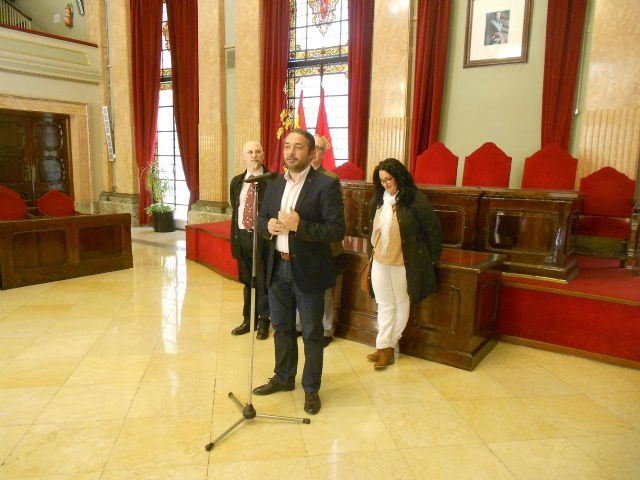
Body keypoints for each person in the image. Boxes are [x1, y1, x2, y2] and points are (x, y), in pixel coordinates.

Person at [253, 128, 345, 415]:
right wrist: (267, 226)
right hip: (277, 266)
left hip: (308, 270)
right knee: (281, 328)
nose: (291, 153)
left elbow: (337, 230)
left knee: (311, 333)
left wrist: (300, 227)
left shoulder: (325, 186)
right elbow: (262, 217)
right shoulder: (274, 184)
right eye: (287, 147)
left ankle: (310, 389)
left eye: (298, 148)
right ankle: (283, 378)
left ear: (311, 153)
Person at [367, 158, 442, 369]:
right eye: (381, 181)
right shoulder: (379, 200)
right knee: (384, 303)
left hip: (405, 261)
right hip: (381, 259)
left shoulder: (416, 199)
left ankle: (387, 347)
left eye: (388, 179)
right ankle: (383, 346)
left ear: (399, 177)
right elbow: (372, 228)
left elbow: (433, 231)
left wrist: (430, 258)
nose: (385, 184)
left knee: (401, 302)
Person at [294, 134, 343, 346]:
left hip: (324, 244)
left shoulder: (330, 179)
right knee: (299, 284)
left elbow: (333, 219)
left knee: (323, 291)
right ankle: (299, 325)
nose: (315, 152)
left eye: (320, 149)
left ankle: (326, 329)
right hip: (301, 243)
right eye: (312, 147)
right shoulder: (294, 176)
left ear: (322, 153)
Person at [229, 141, 271, 340]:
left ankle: (264, 321)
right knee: (247, 281)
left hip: (262, 238)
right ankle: (249, 320)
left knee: (262, 281)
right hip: (242, 236)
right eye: (249, 152)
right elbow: (235, 207)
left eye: (257, 151)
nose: (254, 155)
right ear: (243, 156)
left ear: (263, 155)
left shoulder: (273, 180)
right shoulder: (237, 181)